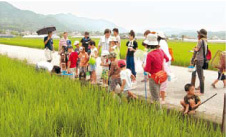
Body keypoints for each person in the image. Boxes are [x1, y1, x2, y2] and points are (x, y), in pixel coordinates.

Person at [144, 33, 169, 103]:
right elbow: (167, 59)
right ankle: (156, 112)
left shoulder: (150, 55)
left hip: (153, 78)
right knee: (157, 95)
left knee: (156, 99)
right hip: (160, 76)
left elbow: (147, 69)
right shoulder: (161, 51)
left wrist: (143, 66)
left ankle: (159, 113)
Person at [190, 29, 208, 96]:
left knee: (200, 76)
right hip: (202, 60)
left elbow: (197, 49)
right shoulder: (205, 41)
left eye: (198, 34)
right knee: (201, 76)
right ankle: (200, 90)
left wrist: (194, 49)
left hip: (199, 60)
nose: (198, 35)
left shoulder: (200, 41)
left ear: (200, 35)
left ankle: (201, 92)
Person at [157, 32, 172, 104]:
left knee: (161, 81)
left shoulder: (160, 43)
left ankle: (162, 97)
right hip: (166, 61)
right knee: (163, 81)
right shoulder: (164, 42)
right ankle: (162, 95)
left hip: (163, 62)